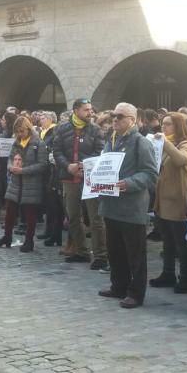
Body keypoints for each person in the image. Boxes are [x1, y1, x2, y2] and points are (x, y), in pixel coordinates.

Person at [96, 103, 159, 309]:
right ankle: (118, 286)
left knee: (135, 254)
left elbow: (150, 174)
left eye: (120, 116)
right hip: (111, 204)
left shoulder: (141, 142)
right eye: (113, 115)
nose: (115, 119)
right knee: (115, 251)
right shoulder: (111, 140)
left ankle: (136, 293)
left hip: (131, 207)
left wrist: (129, 183)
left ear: (132, 120)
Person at [52, 98, 106, 267]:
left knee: (96, 218)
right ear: (76, 110)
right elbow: (57, 151)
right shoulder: (62, 129)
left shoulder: (96, 130)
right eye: (86, 110)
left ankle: (100, 255)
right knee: (73, 216)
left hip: (90, 178)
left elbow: (99, 151)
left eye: (91, 109)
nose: (90, 113)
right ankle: (82, 251)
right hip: (69, 178)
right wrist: (68, 166)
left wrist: (84, 165)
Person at [150, 112, 187, 292]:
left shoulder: (185, 143)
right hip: (163, 199)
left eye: (168, 124)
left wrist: (165, 143)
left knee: (182, 242)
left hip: (178, 199)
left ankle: (186, 277)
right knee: (167, 241)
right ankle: (167, 273)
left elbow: (181, 160)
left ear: (178, 126)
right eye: (163, 124)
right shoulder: (163, 144)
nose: (164, 127)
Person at [0, 116, 49, 252]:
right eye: (17, 131)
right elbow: (11, 158)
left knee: (30, 213)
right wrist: (11, 167)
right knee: (10, 210)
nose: (19, 134)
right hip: (16, 182)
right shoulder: (16, 142)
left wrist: (23, 170)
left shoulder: (38, 144)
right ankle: (7, 236)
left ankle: (29, 241)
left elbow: (42, 165)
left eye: (22, 131)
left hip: (31, 183)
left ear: (28, 129)